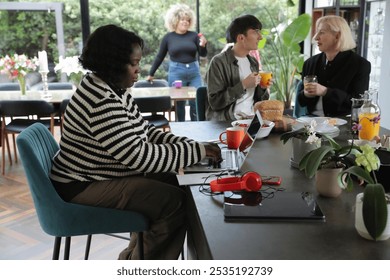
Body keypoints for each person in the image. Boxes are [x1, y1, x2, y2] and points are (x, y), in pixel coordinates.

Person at [49, 24, 221, 260]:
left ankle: (135, 256)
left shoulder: (112, 89)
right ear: (113, 64)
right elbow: (139, 158)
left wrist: (190, 146)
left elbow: (146, 133)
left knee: (178, 182)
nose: (139, 70)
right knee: (174, 203)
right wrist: (195, 151)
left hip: (95, 174)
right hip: (82, 185)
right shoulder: (101, 100)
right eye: (133, 64)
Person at [297, 15, 371, 117]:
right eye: (317, 32)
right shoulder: (309, 63)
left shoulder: (360, 65)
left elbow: (358, 103)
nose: (315, 37)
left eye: (321, 32)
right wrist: (306, 94)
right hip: (311, 123)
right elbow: (301, 101)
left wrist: (326, 92)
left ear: (337, 36)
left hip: (343, 124)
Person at [147, 4, 207, 122]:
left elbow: (203, 54)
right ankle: (180, 132)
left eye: (187, 20)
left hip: (194, 72)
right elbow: (160, 56)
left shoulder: (194, 35)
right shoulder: (168, 38)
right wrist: (151, 73)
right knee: (179, 104)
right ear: (175, 20)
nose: (185, 22)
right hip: (176, 73)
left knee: (196, 102)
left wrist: (203, 45)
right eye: (182, 19)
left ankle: (197, 129)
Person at [205, 14, 270, 121]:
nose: (260, 37)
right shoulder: (218, 62)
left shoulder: (253, 62)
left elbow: (259, 100)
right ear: (241, 38)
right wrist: (243, 85)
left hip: (251, 120)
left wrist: (263, 88)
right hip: (227, 122)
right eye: (255, 32)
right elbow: (215, 103)